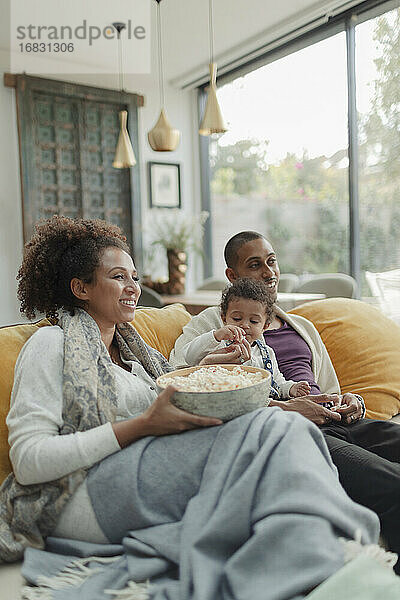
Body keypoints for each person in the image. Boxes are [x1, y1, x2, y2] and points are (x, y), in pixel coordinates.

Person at [0, 217, 383, 599]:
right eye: (119, 277)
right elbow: (29, 460)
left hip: (141, 467)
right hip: (81, 494)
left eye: (135, 276)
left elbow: (168, 395)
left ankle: (325, 551)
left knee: (279, 426)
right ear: (80, 287)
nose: (134, 288)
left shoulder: (136, 356)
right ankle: (332, 561)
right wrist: (143, 426)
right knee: (273, 430)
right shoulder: (51, 344)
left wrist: (207, 370)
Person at [170, 230, 400, 574]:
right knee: (393, 483)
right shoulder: (214, 324)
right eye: (255, 265)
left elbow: (328, 386)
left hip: (335, 419)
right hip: (295, 434)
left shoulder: (302, 325)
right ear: (233, 277)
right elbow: (183, 379)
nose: (269, 272)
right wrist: (286, 408)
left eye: (272, 261)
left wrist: (351, 402)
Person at [182, 277, 311, 399]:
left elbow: (277, 382)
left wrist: (291, 388)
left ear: (265, 326)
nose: (244, 325)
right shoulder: (217, 344)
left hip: (263, 405)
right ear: (224, 318)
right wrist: (216, 335)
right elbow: (189, 356)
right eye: (236, 318)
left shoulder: (266, 353)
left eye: (254, 321)